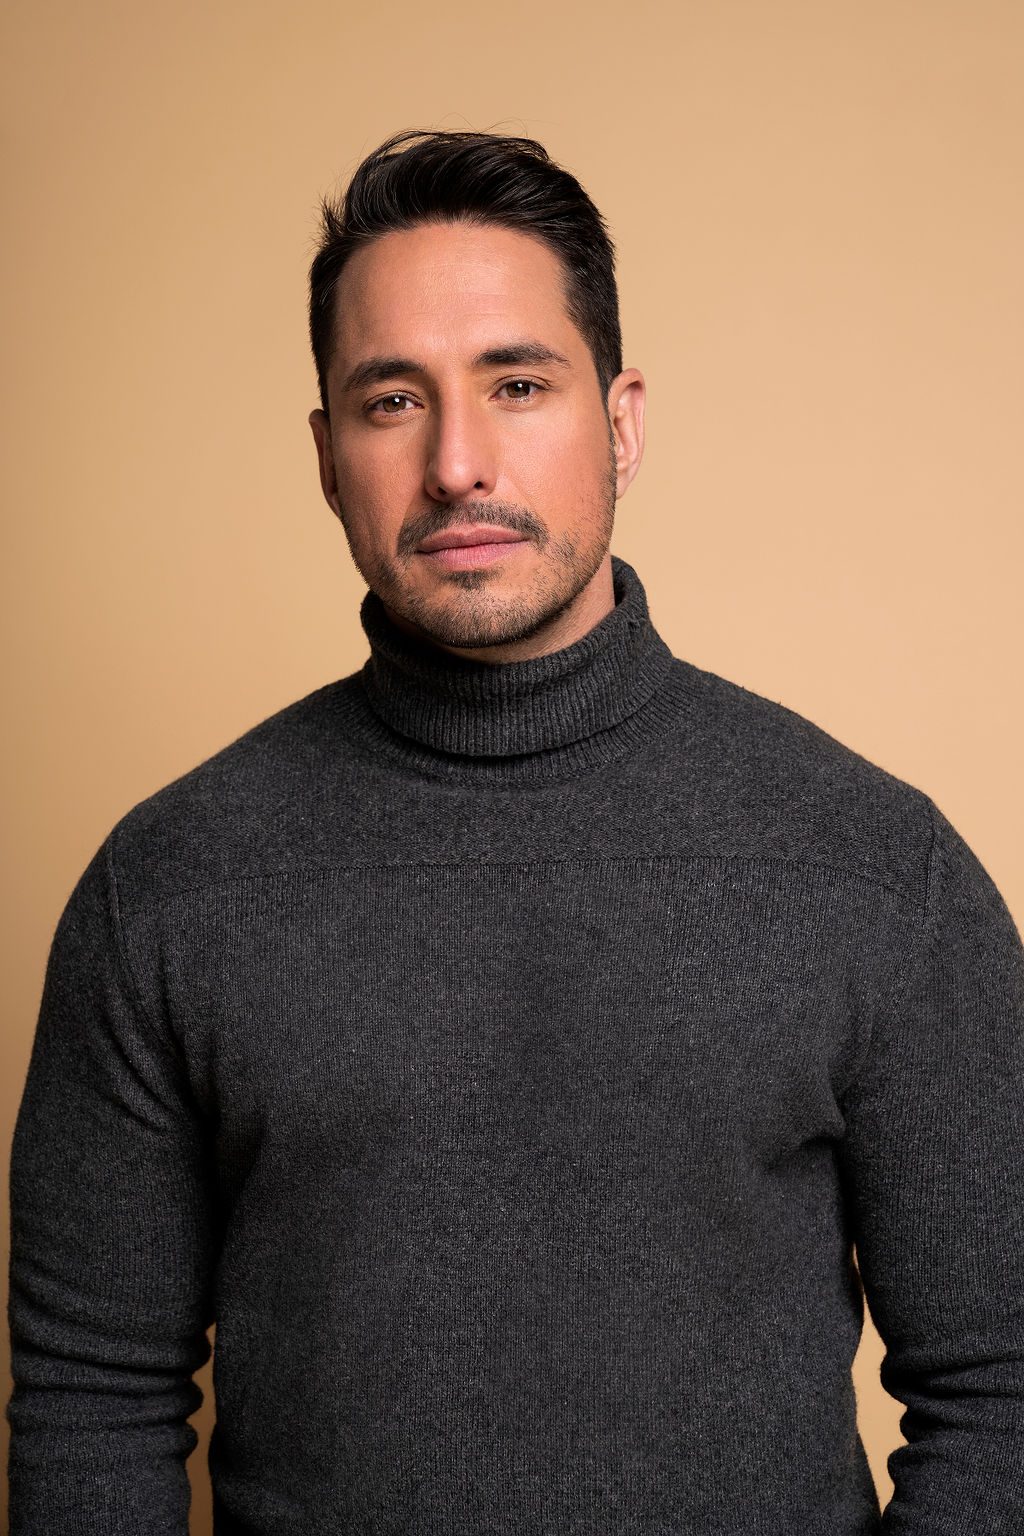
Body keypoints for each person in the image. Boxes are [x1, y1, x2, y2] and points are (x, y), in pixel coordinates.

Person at [6, 127, 1024, 1536]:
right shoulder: (171, 884)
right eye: (390, 401)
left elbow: (1003, 1390)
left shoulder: (871, 865)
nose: (456, 463)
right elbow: (92, 1403)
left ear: (622, 424)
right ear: (327, 456)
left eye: (518, 384)